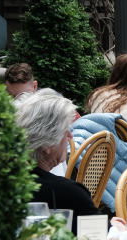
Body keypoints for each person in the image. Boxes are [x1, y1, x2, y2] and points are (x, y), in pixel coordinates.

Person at [15, 89, 99, 227]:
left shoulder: (4, 184)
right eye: (65, 130)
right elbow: (99, 236)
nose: (70, 136)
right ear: (47, 144)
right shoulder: (69, 194)